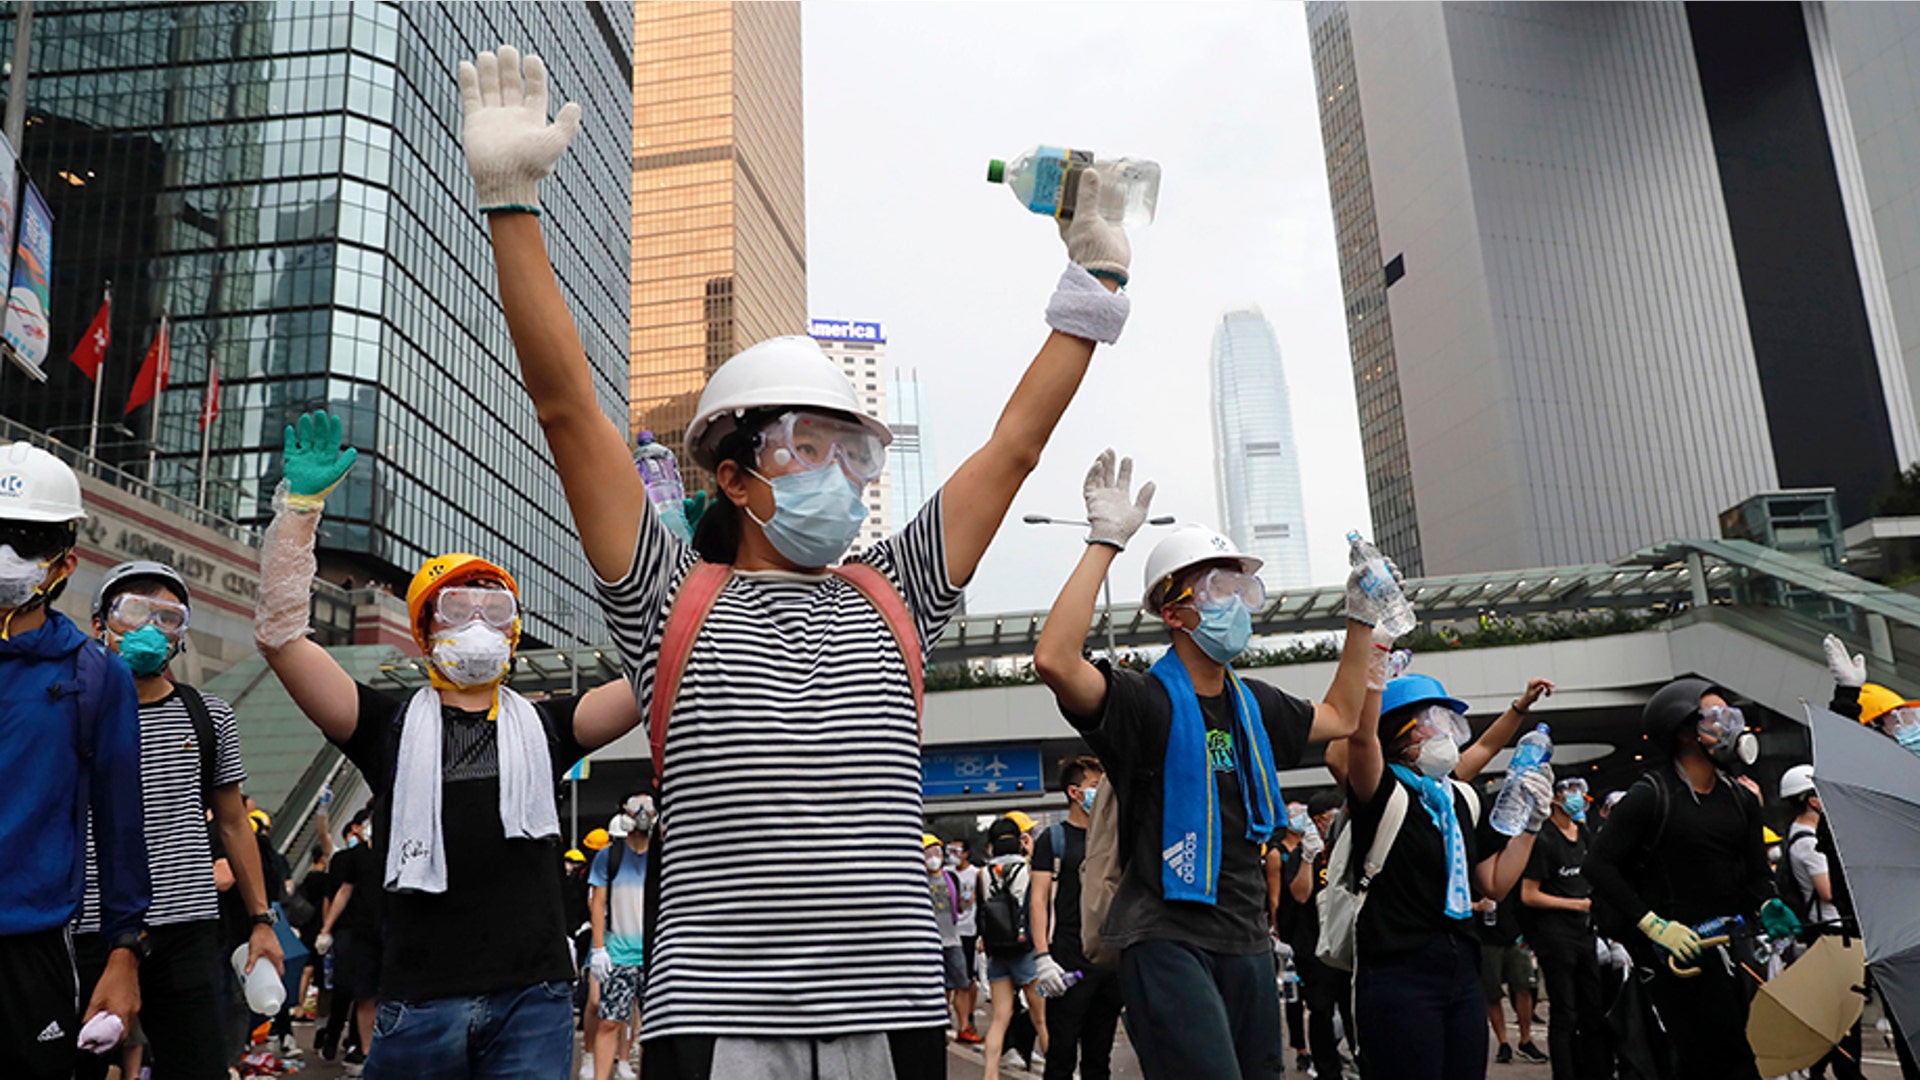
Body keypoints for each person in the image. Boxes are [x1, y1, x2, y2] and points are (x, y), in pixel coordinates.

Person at [464, 42, 1134, 1078]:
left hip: (894, 1003)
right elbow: (566, 412)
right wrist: (512, 206)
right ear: (733, 475)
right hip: (717, 1018)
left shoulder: (896, 594)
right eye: (806, 449)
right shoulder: (666, 600)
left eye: (850, 451)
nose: (841, 476)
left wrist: (1093, 281)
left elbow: (1013, 448)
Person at [254, 412, 646, 1079]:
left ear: (515, 633)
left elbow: (657, 674)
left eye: (495, 612)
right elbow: (283, 640)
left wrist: (680, 569)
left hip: (535, 999)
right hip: (419, 1002)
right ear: (423, 628)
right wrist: (297, 516)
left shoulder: (550, 726)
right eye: (456, 609)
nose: (477, 626)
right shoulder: (386, 726)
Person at [1033, 450, 1382, 1080]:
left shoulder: (1254, 706)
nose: (1239, 603)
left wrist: (1359, 620)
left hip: (1247, 934)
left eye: (1242, 586)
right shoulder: (1142, 701)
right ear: (1174, 613)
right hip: (1164, 934)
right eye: (1220, 588)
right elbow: (1056, 661)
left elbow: (1343, 716)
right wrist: (1104, 543)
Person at [70, 561, 284, 1080]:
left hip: (184, 927)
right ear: (101, 625)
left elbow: (234, 822)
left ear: (181, 635)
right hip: (86, 927)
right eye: (132, 611)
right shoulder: (69, 709)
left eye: (167, 617)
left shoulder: (208, 714)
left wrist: (261, 921)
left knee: (199, 1067)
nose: (149, 629)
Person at [0, 443, 147, 1076]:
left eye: (27, 538)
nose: (6, 555)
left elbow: (121, 826)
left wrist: (123, 952)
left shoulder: (93, 676)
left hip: (30, 951)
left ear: (65, 561)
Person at [1339, 670, 1553, 1080]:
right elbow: (1362, 739)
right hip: (1397, 972)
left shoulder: (1456, 798)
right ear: (1399, 735)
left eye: (1451, 724)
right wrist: (1372, 671)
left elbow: (1494, 882)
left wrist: (1531, 826)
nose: (1448, 734)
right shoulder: (1381, 792)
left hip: (1461, 965)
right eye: (1434, 722)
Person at [1584, 678, 1798, 1080]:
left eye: (1731, 716)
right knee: (1701, 1061)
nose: (1730, 727)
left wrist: (1768, 901)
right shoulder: (1651, 795)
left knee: (1740, 1054)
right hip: (1675, 959)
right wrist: (1652, 924)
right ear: (1683, 730)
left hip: (1732, 951)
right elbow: (1598, 866)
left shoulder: (1740, 798)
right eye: (1716, 718)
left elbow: (1754, 872)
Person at [1030, 757, 1122, 1080]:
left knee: (1099, 1057)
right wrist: (1042, 957)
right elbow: (1038, 900)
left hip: (1109, 959)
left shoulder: (1113, 838)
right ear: (1074, 792)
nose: (1103, 794)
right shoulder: (1053, 839)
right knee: (1061, 1055)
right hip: (1068, 959)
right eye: (1095, 787)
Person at [1518, 777, 1609, 1080]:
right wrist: (1575, 904)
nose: (1578, 799)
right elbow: (1529, 894)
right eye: (1570, 792)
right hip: (1556, 938)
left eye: (1581, 793)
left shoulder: (1583, 834)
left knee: (1593, 1010)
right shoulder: (1543, 840)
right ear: (1555, 799)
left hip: (1586, 934)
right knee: (1565, 1013)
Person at [978, 817, 1048, 1079]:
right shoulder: (1027, 869)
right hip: (1025, 951)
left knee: (999, 1019)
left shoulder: (983, 874)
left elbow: (980, 915)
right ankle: (1057, 1072)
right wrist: (1031, 854)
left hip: (997, 953)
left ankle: (990, 1075)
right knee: (1041, 1020)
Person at [589, 797, 653, 1080]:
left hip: (656, 956)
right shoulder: (608, 856)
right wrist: (599, 948)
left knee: (654, 1031)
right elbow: (598, 903)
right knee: (609, 1022)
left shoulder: (662, 856)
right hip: (619, 954)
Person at [1293, 790, 1354, 1080]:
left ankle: (1358, 1059)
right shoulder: (1305, 853)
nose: (1335, 822)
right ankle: (1327, 1069)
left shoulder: (1349, 847)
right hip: (1315, 947)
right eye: (1330, 817)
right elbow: (1300, 895)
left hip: (1347, 941)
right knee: (1321, 1010)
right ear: (1316, 821)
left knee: (1353, 1009)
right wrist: (1308, 857)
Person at [315, 809, 375, 1067]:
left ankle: (357, 1044)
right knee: (347, 988)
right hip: (350, 931)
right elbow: (336, 894)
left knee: (368, 993)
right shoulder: (344, 859)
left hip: (376, 929)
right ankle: (338, 1037)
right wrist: (326, 929)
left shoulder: (388, 853)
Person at [1266, 804, 1314, 1075]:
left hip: (1311, 925)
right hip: (1291, 927)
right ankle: (1301, 1048)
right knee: (1294, 994)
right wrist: (1277, 929)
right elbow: (1274, 897)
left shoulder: (1312, 848)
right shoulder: (1277, 854)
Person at [1476, 892, 1544, 1065]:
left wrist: (1530, 938)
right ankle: (1503, 1042)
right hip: (1486, 938)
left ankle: (1525, 1039)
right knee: (1492, 993)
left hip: (1514, 937)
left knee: (1524, 987)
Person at [924, 834, 971, 1037]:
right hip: (929, 942)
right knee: (938, 987)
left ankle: (964, 1026)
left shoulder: (951, 878)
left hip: (953, 939)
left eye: (937, 852)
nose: (934, 857)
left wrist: (966, 901)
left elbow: (958, 908)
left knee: (962, 983)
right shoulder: (916, 879)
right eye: (929, 853)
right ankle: (940, 1027)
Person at [952, 842, 985, 1046]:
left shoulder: (976, 874)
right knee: (955, 981)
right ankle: (957, 1019)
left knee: (968, 979)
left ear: (966, 853)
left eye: (956, 851)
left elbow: (982, 902)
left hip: (970, 931)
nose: (952, 855)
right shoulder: (947, 874)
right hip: (952, 931)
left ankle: (968, 1016)